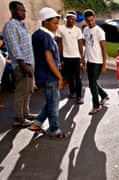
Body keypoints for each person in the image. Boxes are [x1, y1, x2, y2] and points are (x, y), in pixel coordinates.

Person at [29, 7, 71, 138]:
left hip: (43, 74)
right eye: (54, 23)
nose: (56, 26)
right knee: (53, 104)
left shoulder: (37, 34)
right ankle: (54, 129)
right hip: (49, 75)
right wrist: (59, 77)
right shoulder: (45, 36)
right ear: (45, 22)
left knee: (53, 100)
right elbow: (49, 59)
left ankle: (37, 122)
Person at [2, 1, 37, 127]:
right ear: (13, 11)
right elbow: (14, 47)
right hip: (22, 64)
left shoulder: (22, 25)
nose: (24, 13)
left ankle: (26, 113)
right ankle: (19, 118)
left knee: (28, 91)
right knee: (21, 91)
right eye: (21, 10)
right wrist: (23, 65)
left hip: (29, 62)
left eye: (24, 10)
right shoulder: (10, 26)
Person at [83, 9, 109, 115]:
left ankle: (96, 106)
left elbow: (103, 48)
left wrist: (104, 64)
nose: (90, 22)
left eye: (92, 20)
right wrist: (84, 60)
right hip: (89, 60)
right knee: (93, 82)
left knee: (92, 84)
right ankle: (104, 95)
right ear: (85, 20)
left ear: (95, 18)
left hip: (97, 61)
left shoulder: (99, 31)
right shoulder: (85, 30)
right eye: (88, 21)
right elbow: (87, 46)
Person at [56, 10, 85, 104]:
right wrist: (59, 56)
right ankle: (72, 92)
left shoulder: (77, 30)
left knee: (78, 77)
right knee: (69, 77)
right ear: (67, 19)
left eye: (74, 19)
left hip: (76, 56)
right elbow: (59, 43)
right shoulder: (61, 29)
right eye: (70, 19)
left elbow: (80, 44)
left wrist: (82, 57)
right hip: (65, 56)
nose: (72, 21)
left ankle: (79, 96)